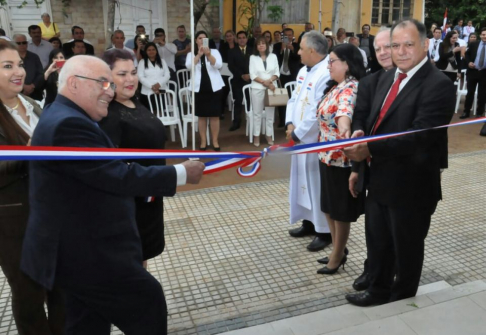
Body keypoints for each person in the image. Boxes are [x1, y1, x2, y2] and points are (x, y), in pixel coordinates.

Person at [21, 55, 205, 334]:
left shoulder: (63, 115)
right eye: (103, 83)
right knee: (147, 303)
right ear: (74, 83)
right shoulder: (68, 124)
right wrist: (180, 174)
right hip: (88, 254)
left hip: (73, 252)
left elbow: (101, 172)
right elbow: (116, 175)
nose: (110, 90)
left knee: (86, 324)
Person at [343, 19, 455, 306]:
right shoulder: (386, 78)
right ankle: (377, 292)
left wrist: (367, 149)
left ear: (425, 45)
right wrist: (360, 143)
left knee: (406, 249)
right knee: (378, 243)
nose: (401, 51)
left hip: (411, 186)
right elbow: (371, 121)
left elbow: (417, 138)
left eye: (408, 44)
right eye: (395, 45)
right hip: (378, 179)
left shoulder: (438, 84)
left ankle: (403, 304)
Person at [0, 40, 65, 335]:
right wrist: (25, 153)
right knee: (29, 295)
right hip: (14, 222)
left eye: (20, 64)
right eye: (7, 66)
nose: (19, 72)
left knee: (62, 288)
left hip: (52, 214)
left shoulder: (34, 105)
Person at [99, 48, 168, 267]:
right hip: (130, 203)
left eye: (133, 72)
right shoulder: (108, 115)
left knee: (142, 257)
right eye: (122, 74)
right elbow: (111, 168)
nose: (130, 79)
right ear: (107, 78)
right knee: (130, 261)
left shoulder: (134, 102)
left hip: (149, 197)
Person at [344, 27, 394, 291]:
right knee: (374, 230)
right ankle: (372, 272)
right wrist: (356, 169)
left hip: (404, 172)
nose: (384, 53)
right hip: (372, 169)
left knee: (398, 234)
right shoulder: (370, 82)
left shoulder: (421, 82)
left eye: (389, 46)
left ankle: (391, 278)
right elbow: (360, 120)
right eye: (378, 48)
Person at [315, 43, 366, 275]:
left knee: (339, 210)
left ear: (347, 64)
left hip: (341, 160)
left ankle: (337, 255)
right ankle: (338, 248)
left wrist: (344, 130)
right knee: (328, 207)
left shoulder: (351, 87)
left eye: (333, 60)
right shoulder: (335, 86)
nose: (329, 65)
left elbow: (344, 113)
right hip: (326, 157)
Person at [285, 31, 331, 252]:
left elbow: (317, 112)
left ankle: (324, 231)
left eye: (301, 48)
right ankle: (308, 222)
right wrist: (289, 125)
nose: (298, 51)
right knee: (302, 182)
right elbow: (295, 98)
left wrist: (299, 133)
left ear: (312, 51)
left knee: (316, 184)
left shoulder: (326, 73)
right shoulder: (304, 70)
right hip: (299, 138)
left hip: (314, 141)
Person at [186, 31, 225, 151]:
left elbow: (219, 65)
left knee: (214, 116)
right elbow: (188, 66)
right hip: (199, 88)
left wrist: (208, 55)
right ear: (196, 40)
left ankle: (215, 140)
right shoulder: (191, 54)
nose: (202, 40)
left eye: (204, 38)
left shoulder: (214, 52)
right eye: (199, 38)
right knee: (201, 116)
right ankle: (203, 141)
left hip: (214, 87)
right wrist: (198, 55)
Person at [249, 36, 279, 146]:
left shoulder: (273, 56)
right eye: (259, 44)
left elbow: (277, 72)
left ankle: (269, 135)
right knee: (257, 114)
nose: (261, 45)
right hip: (257, 88)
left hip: (271, 88)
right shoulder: (253, 57)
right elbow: (252, 74)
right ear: (256, 47)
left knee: (270, 114)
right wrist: (264, 82)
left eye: (263, 43)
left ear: (266, 46)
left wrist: (270, 81)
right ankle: (256, 135)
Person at [273, 28, 300, 127]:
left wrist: (292, 50)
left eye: (290, 35)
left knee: (291, 99)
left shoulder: (297, 46)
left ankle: (291, 121)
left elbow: (299, 59)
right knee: (281, 99)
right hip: (281, 76)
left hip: (292, 76)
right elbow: (274, 58)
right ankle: (282, 120)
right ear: (282, 36)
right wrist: (281, 50)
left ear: (292, 36)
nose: (288, 37)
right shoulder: (277, 46)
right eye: (285, 35)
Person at [228, 30, 252, 131]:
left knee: (250, 101)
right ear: (237, 40)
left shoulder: (252, 50)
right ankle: (236, 122)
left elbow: (256, 65)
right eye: (240, 38)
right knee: (238, 102)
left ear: (246, 39)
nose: (242, 40)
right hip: (238, 80)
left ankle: (251, 121)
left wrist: (250, 75)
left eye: (243, 37)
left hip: (250, 80)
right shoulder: (232, 51)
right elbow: (231, 66)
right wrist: (241, 75)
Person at [460, 27, 486, 119]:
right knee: (470, 93)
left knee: (482, 94)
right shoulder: (474, 44)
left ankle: (479, 112)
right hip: (473, 71)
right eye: (483, 34)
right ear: (480, 35)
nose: (485, 36)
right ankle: (466, 111)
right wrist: (468, 62)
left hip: (484, 73)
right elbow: (466, 54)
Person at [137, 42, 170, 114]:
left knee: (161, 111)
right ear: (146, 51)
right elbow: (140, 77)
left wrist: (159, 84)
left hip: (161, 90)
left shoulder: (162, 61)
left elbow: (167, 75)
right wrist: (152, 86)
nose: (151, 51)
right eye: (149, 50)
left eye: (153, 49)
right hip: (147, 91)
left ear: (156, 51)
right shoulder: (142, 62)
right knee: (148, 113)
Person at [13, 34, 44, 101]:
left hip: (35, 92)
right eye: (18, 43)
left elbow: (40, 73)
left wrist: (32, 86)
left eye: (24, 42)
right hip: (17, 93)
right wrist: (23, 86)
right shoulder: (10, 59)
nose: (22, 45)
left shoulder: (34, 57)